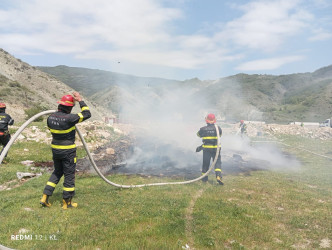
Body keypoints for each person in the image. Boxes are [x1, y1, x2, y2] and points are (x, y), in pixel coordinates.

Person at [40, 92, 91, 209]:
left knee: (57, 172)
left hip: (56, 150)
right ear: (69, 108)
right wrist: (80, 100)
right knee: (69, 175)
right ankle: (67, 203)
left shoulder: (50, 117)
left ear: (60, 105)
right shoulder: (70, 118)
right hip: (68, 151)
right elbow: (87, 114)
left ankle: (45, 197)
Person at [196, 113, 223, 185]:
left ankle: (204, 179)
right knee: (217, 163)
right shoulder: (218, 128)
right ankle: (218, 176)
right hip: (216, 149)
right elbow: (220, 135)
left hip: (207, 149)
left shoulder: (203, 129)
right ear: (214, 120)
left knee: (205, 164)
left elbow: (198, 135)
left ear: (206, 120)